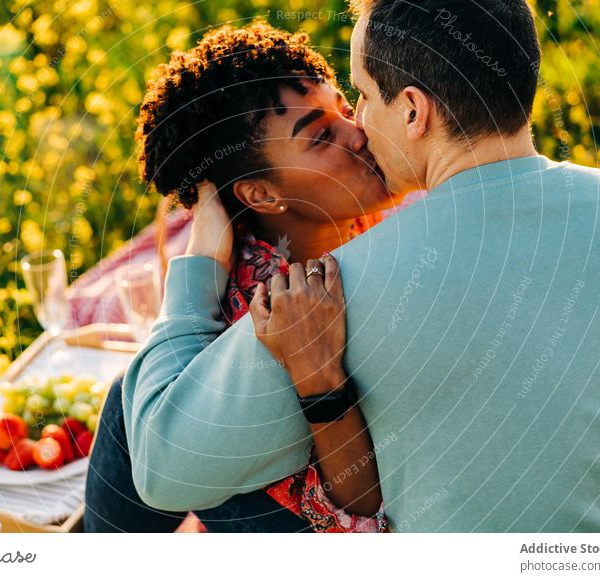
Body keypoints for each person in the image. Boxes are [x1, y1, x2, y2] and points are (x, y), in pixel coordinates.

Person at [122, 0, 600, 532]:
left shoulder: (339, 291)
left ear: (413, 110)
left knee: (126, 407)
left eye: (361, 97)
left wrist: (194, 276)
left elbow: (160, 467)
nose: (359, 126)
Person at [85, 22, 415, 532]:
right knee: (132, 409)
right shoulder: (272, 314)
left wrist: (197, 260)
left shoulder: (376, 223)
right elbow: (357, 516)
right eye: (323, 136)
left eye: (345, 110)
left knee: (126, 403)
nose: (360, 133)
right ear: (262, 195)